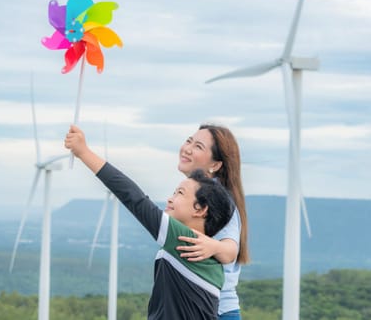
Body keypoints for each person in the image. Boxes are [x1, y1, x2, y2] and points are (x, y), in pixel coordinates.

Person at [64, 125, 235, 320]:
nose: (170, 199)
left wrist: (84, 153)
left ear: (201, 209)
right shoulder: (206, 256)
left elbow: (134, 198)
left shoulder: (185, 241)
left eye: (179, 193)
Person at [175, 124, 250, 320]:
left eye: (198, 146)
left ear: (215, 165)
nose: (187, 148)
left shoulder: (219, 198)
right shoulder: (195, 194)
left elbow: (230, 250)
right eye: (189, 140)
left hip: (217, 312)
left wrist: (213, 246)